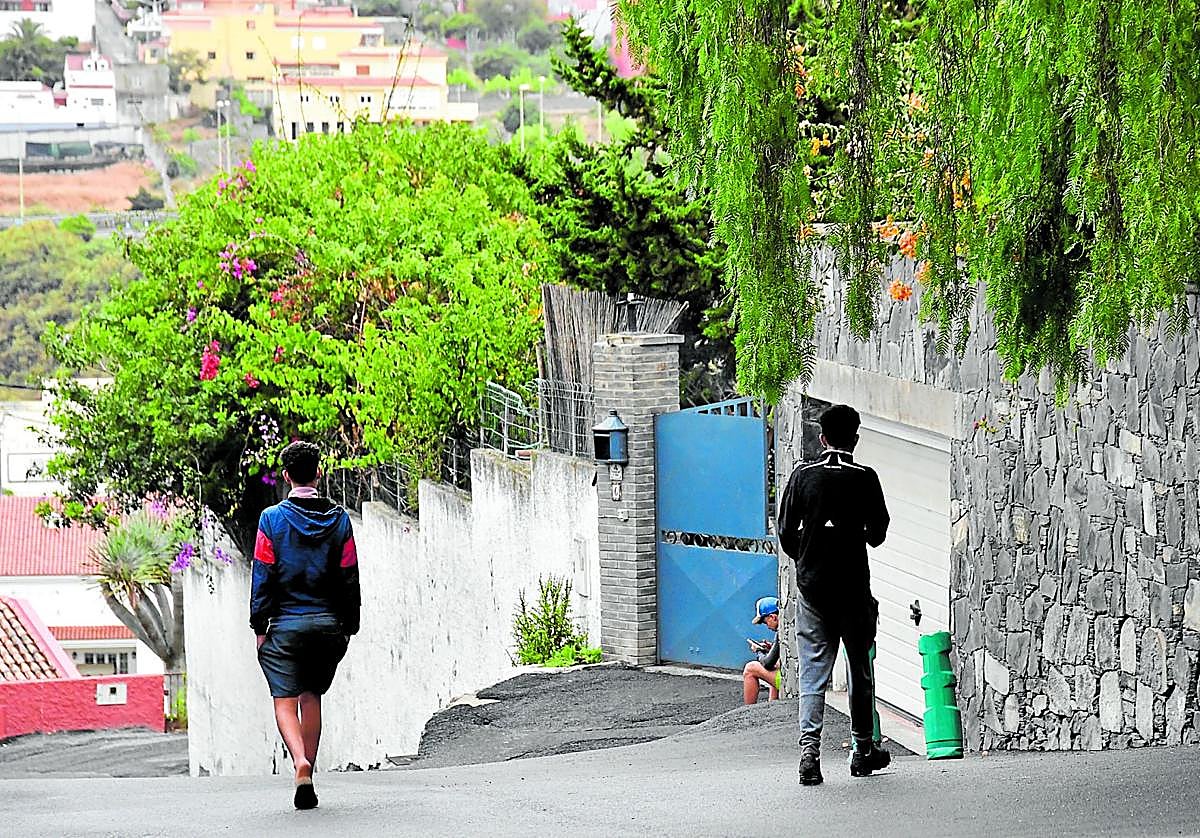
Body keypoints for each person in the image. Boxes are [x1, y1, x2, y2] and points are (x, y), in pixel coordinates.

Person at [777, 404, 891, 786]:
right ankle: (863, 750)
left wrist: (809, 558)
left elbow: (786, 532)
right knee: (859, 669)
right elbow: (877, 534)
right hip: (854, 590)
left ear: (822, 438)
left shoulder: (802, 476)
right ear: (855, 440)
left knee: (813, 672)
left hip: (813, 590)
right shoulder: (866, 478)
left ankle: (809, 753)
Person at [250, 440, 360, 810]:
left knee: (285, 701)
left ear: (285, 476)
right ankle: (309, 774)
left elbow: (263, 574)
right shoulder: (340, 519)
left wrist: (259, 625)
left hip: (284, 626)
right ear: (319, 472)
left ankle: (300, 763)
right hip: (328, 625)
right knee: (312, 696)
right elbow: (349, 575)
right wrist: (349, 624)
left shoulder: (271, 520)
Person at [743, 596, 780, 704]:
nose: (767, 626)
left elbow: (767, 663)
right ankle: (774, 706)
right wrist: (770, 648)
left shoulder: (781, 631)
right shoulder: (790, 626)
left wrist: (759, 651)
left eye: (765, 622)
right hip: (806, 680)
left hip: (791, 682)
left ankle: (747, 711)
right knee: (777, 666)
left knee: (750, 668)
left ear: (773, 617)